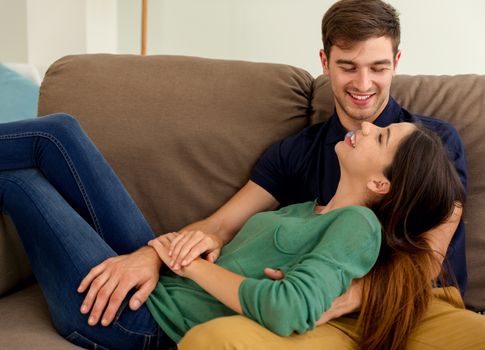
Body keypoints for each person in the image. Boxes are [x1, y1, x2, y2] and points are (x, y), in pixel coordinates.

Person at [0, 113, 464, 350]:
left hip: (137, 319)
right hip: (157, 278)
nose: (367, 125)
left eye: (381, 137)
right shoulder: (311, 208)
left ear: (381, 184)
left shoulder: (357, 226)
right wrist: (178, 252)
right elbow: (220, 232)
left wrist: (189, 264)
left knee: (18, 180)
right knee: (59, 131)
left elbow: (290, 310)